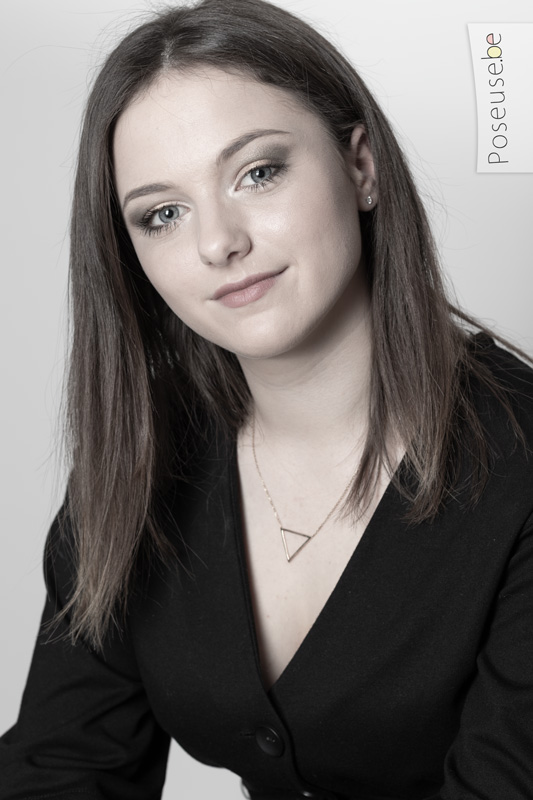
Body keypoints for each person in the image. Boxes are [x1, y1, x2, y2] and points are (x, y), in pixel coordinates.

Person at [1, 0, 532, 798]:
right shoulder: (147, 458)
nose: (218, 242)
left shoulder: (519, 461)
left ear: (361, 167)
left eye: (258, 172)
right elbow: (62, 765)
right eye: (163, 214)